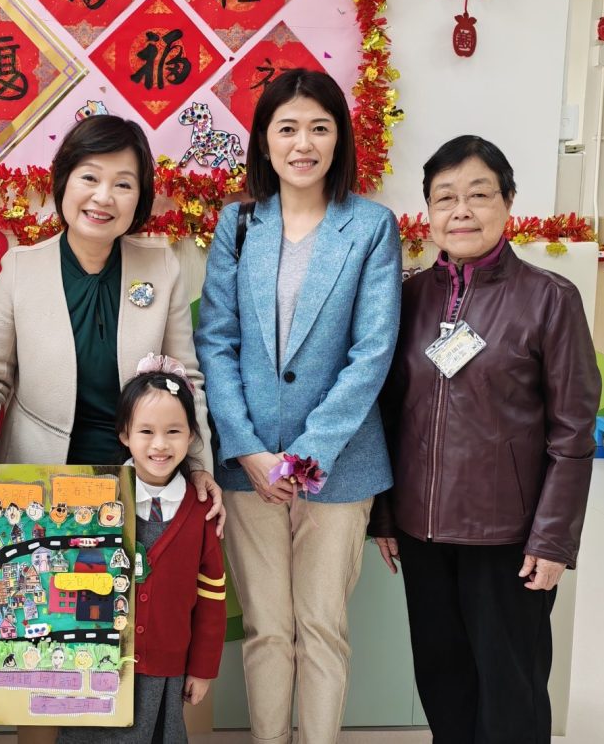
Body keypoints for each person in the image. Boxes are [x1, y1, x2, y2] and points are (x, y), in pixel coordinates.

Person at [0, 113, 222, 744]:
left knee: (138, 641)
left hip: (141, 483)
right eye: (90, 177)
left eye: (124, 183)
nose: (104, 196)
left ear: (140, 196)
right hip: (44, 483)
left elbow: (187, 378)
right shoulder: (22, 269)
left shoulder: (162, 264)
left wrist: (199, 466)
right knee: (47, 648)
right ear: (64, 182)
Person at [193, 68, 401, 744]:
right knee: (266, 628)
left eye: (319, 128)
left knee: (320, 627)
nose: (303, 143)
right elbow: (216, 341)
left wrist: (307, 455)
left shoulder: (370, 226)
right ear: (264, 140)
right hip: (249, 467)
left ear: (340, 139)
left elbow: (372, 351)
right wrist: (248, 449)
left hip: (338, 466)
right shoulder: (237, 224)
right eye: (287, 128)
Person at [371, 136, 601, 744]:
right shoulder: (408, 297)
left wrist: (553, 540)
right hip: (422, 532)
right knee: (443, 680)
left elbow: (574, 431)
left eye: (479, 195)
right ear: (428, 210)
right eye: (445, 197)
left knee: (510, 688)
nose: (462, 211)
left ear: (508, 202)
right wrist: (386, 514)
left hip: (509, 537)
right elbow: (389, 413)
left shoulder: (550, 298)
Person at [57, 355, 227, 744]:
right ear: (124, 435)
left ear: (192, 436)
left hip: (164, 669)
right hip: (97, 664)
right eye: (146, 431)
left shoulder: (202, 510)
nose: (160, 444)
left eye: (174, 431)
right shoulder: (97, 503)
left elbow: (212, 596)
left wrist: (202, 669)